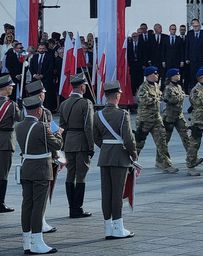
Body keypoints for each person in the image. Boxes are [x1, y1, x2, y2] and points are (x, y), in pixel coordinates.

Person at [17, 93, 62, 255]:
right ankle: (37, 241)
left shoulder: (19, 126)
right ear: (38, 111)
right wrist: (57, 132)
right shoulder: (42, 127)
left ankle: (27, 242)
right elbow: (57, 144)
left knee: (26, 204)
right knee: (38, 206)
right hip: (41, 169)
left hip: (26, 167)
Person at [94, 81, 137, 240]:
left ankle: (108, 227)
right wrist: (133, 154)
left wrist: (106, 148)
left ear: (106, 96)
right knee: (117, 193)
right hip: (120, 157)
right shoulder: (122, 114)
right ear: (118, 95)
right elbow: (128, 138)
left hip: (105, 157)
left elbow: (96, 137)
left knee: (107, 193)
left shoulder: (97, 114)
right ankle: (118, 228)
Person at [58, 73, 95, 218]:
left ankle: (71, 207)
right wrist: (91, 146)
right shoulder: (86, 103)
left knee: (70, 175)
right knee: (81, 176)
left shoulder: (64, 104)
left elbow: (61, 127)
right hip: (81, 142)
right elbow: (89, 126)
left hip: (68, 143)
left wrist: (62, 145)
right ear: (82, 87)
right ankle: (77, 208)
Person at [134, 67, 178, 174]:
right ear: (149, 75)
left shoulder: (156, 86)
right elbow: (141, 100)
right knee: (138, 144)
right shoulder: (143, 88)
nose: (157, 76)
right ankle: (132, 163)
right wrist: (155, 99)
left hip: (156, 119)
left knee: (162, 142)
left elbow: (161, 97)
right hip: (145, 120)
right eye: (155, 74)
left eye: (157, 74)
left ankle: (166, 164)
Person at [162, 69, 201, 171]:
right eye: (176, 75)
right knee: (165, 140)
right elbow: (169, 100)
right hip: (169, 117)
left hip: (179, 116)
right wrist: (180, 97)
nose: (178, 76)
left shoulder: (178, 87)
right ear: (171, 77)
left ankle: (192, 158)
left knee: (186, 137)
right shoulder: (168, 88)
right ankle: (163, 161)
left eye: (179, 74)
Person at [0, 74, 21, 213]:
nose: (12, 89)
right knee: (3, 174)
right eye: (11, 86)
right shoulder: (11, 105)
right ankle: (0, 203)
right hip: (5, 141)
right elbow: (20, 118)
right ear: (5, 88)